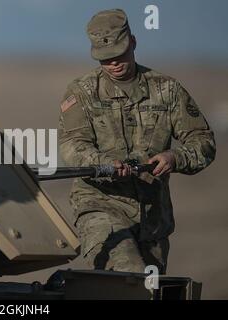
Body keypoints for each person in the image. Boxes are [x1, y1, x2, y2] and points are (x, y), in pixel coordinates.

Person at [58, 9, 216, 274]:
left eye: (119, 55)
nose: (114, 64)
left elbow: (203, 141)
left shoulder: (167, 90)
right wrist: (105, 163)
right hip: (101, 207)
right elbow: (73, 146)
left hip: (152, 221)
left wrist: (175, 158)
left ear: (133, 42)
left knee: (151, 289)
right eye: (105, 59)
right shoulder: (81, 92)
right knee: (128, 277)